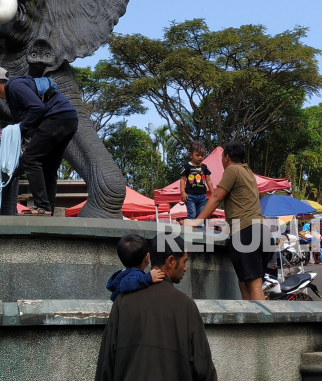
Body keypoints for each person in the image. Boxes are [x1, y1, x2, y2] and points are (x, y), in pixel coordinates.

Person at [94, 236, 217, 381]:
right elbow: (203, 368)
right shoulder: (186, 305)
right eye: (184, 262)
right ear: (171, 261)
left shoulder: (122, 301)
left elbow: (106, 365)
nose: (185, 268)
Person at [0, 66, 78, 216]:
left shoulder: (14, 86)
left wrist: (21, 128)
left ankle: (42, 207)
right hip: (68, 119)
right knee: (48, 167)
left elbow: (37, 108)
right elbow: (20, 126)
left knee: (30, 159)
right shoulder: (13, 100)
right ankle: (48, 211)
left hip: (57, 117)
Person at [182, 141, 270, 300]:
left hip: (246, 230)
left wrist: (196, 221)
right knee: (243, 283)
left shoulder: (232, 170)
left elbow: (216, 197)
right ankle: (249, 322)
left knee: (254, 284)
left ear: (227, 158)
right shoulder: (248, 172)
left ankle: (263, 326)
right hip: (261, 231)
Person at [106, 234, 165, 301]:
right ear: (147, 257)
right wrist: (148, 278)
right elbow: (125, 284)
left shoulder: (125, 273)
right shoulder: (134, 275)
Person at [179, 141, 214, 221]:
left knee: (201, 216)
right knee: (192, 214)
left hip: (202, 196)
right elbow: (182, 180)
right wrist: (183, 192)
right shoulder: (186, 166)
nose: (200, 158)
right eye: (197, 155)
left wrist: (213, 193)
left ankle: (200, 231)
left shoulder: (204, 167)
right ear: (191, 155)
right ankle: (191, 231)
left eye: (202, 155)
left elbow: (208, 180)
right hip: (190, 196)